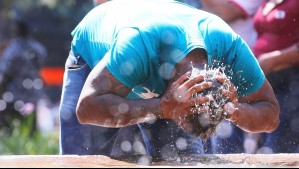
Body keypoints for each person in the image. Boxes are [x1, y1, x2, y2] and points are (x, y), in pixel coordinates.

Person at [71, 0, 279, 160]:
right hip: (94, 47)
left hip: (164, 76)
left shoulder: (230, 49)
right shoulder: (138, 43)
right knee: (84, 157)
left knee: (185, 159)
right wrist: (161, 108)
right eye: (180, 118)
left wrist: (234, 110)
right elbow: (85, 108)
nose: (177, 123)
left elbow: (271, 115)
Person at [200, 0, 263, 154]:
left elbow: (226, 13)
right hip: (215, 67)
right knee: (214, 139)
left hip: (243, 70)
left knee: (227, 142)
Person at [252, 0, 299, 153]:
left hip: (291, 79)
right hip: (267, 81)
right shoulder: (266, 2)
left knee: (280, 144)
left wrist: (273, 60)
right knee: (261, 143)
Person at [0, 20, 47, 134]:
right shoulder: (38, 48)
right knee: (30, 128)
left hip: (14, 96)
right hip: (32, 94)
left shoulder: (13, 49)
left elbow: (6, 72)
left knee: (10, 128)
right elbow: (40, 66)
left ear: (16, 32)